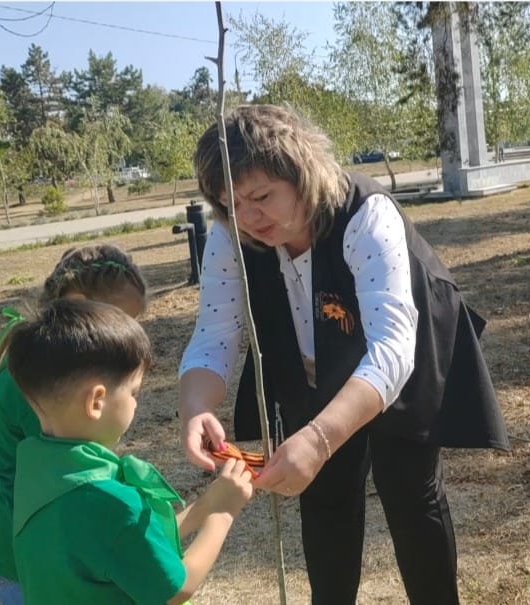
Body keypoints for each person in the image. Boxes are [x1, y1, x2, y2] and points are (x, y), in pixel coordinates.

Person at [179, 104, 510, 604]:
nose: (248, 217)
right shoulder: (230, 234)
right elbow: (215, 333)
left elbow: (392, 348)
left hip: (397, 357)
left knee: (409, 491)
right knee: (325, 498)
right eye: (231, 203)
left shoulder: (365, 215)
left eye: (262, 197)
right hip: (312, 365)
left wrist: (318, 437)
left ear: (302, 173)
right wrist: (195, 407)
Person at [6, 298, 255, 605]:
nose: (137, 402)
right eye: (134, 392)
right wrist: (222, 513)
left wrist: (205, 505)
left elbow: (131, 545)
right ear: (96, 402)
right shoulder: (109, 500)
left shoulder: (37, 476)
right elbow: (175, 588)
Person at [0, 244, 149, 605]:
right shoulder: (50, 386)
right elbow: (72, 483)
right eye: (120, 321)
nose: (130, 336)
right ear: (76, 304)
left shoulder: (42, 356)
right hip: (25, 550)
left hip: (26, 538)